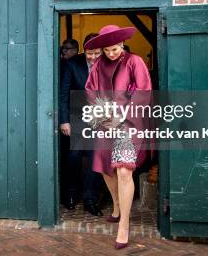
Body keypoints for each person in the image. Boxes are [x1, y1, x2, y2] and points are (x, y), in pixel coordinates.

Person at [84, 25, 152, 251]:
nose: (111, 54)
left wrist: (122, 115)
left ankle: (124, 223)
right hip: (105, 122)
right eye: (107, 50)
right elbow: (90, 89)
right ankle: (116, 205)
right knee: (105, 168)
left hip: (129, 123)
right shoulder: (98, 65)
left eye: (114, 49)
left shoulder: (134, 61)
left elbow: (144, 91)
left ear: (122, 45)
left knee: (124, 168)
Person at [59, 33, 102, 215]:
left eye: (96, 53)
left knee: (95, 158)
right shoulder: (72, 64)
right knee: (74, 156)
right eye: (89, 53)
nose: (92, 57)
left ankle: (90, 199)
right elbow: (63, 94)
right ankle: (70, 194)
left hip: (100, 118)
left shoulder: (107, 63)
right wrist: (64, 121)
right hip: (76, 117)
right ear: (84, 50)